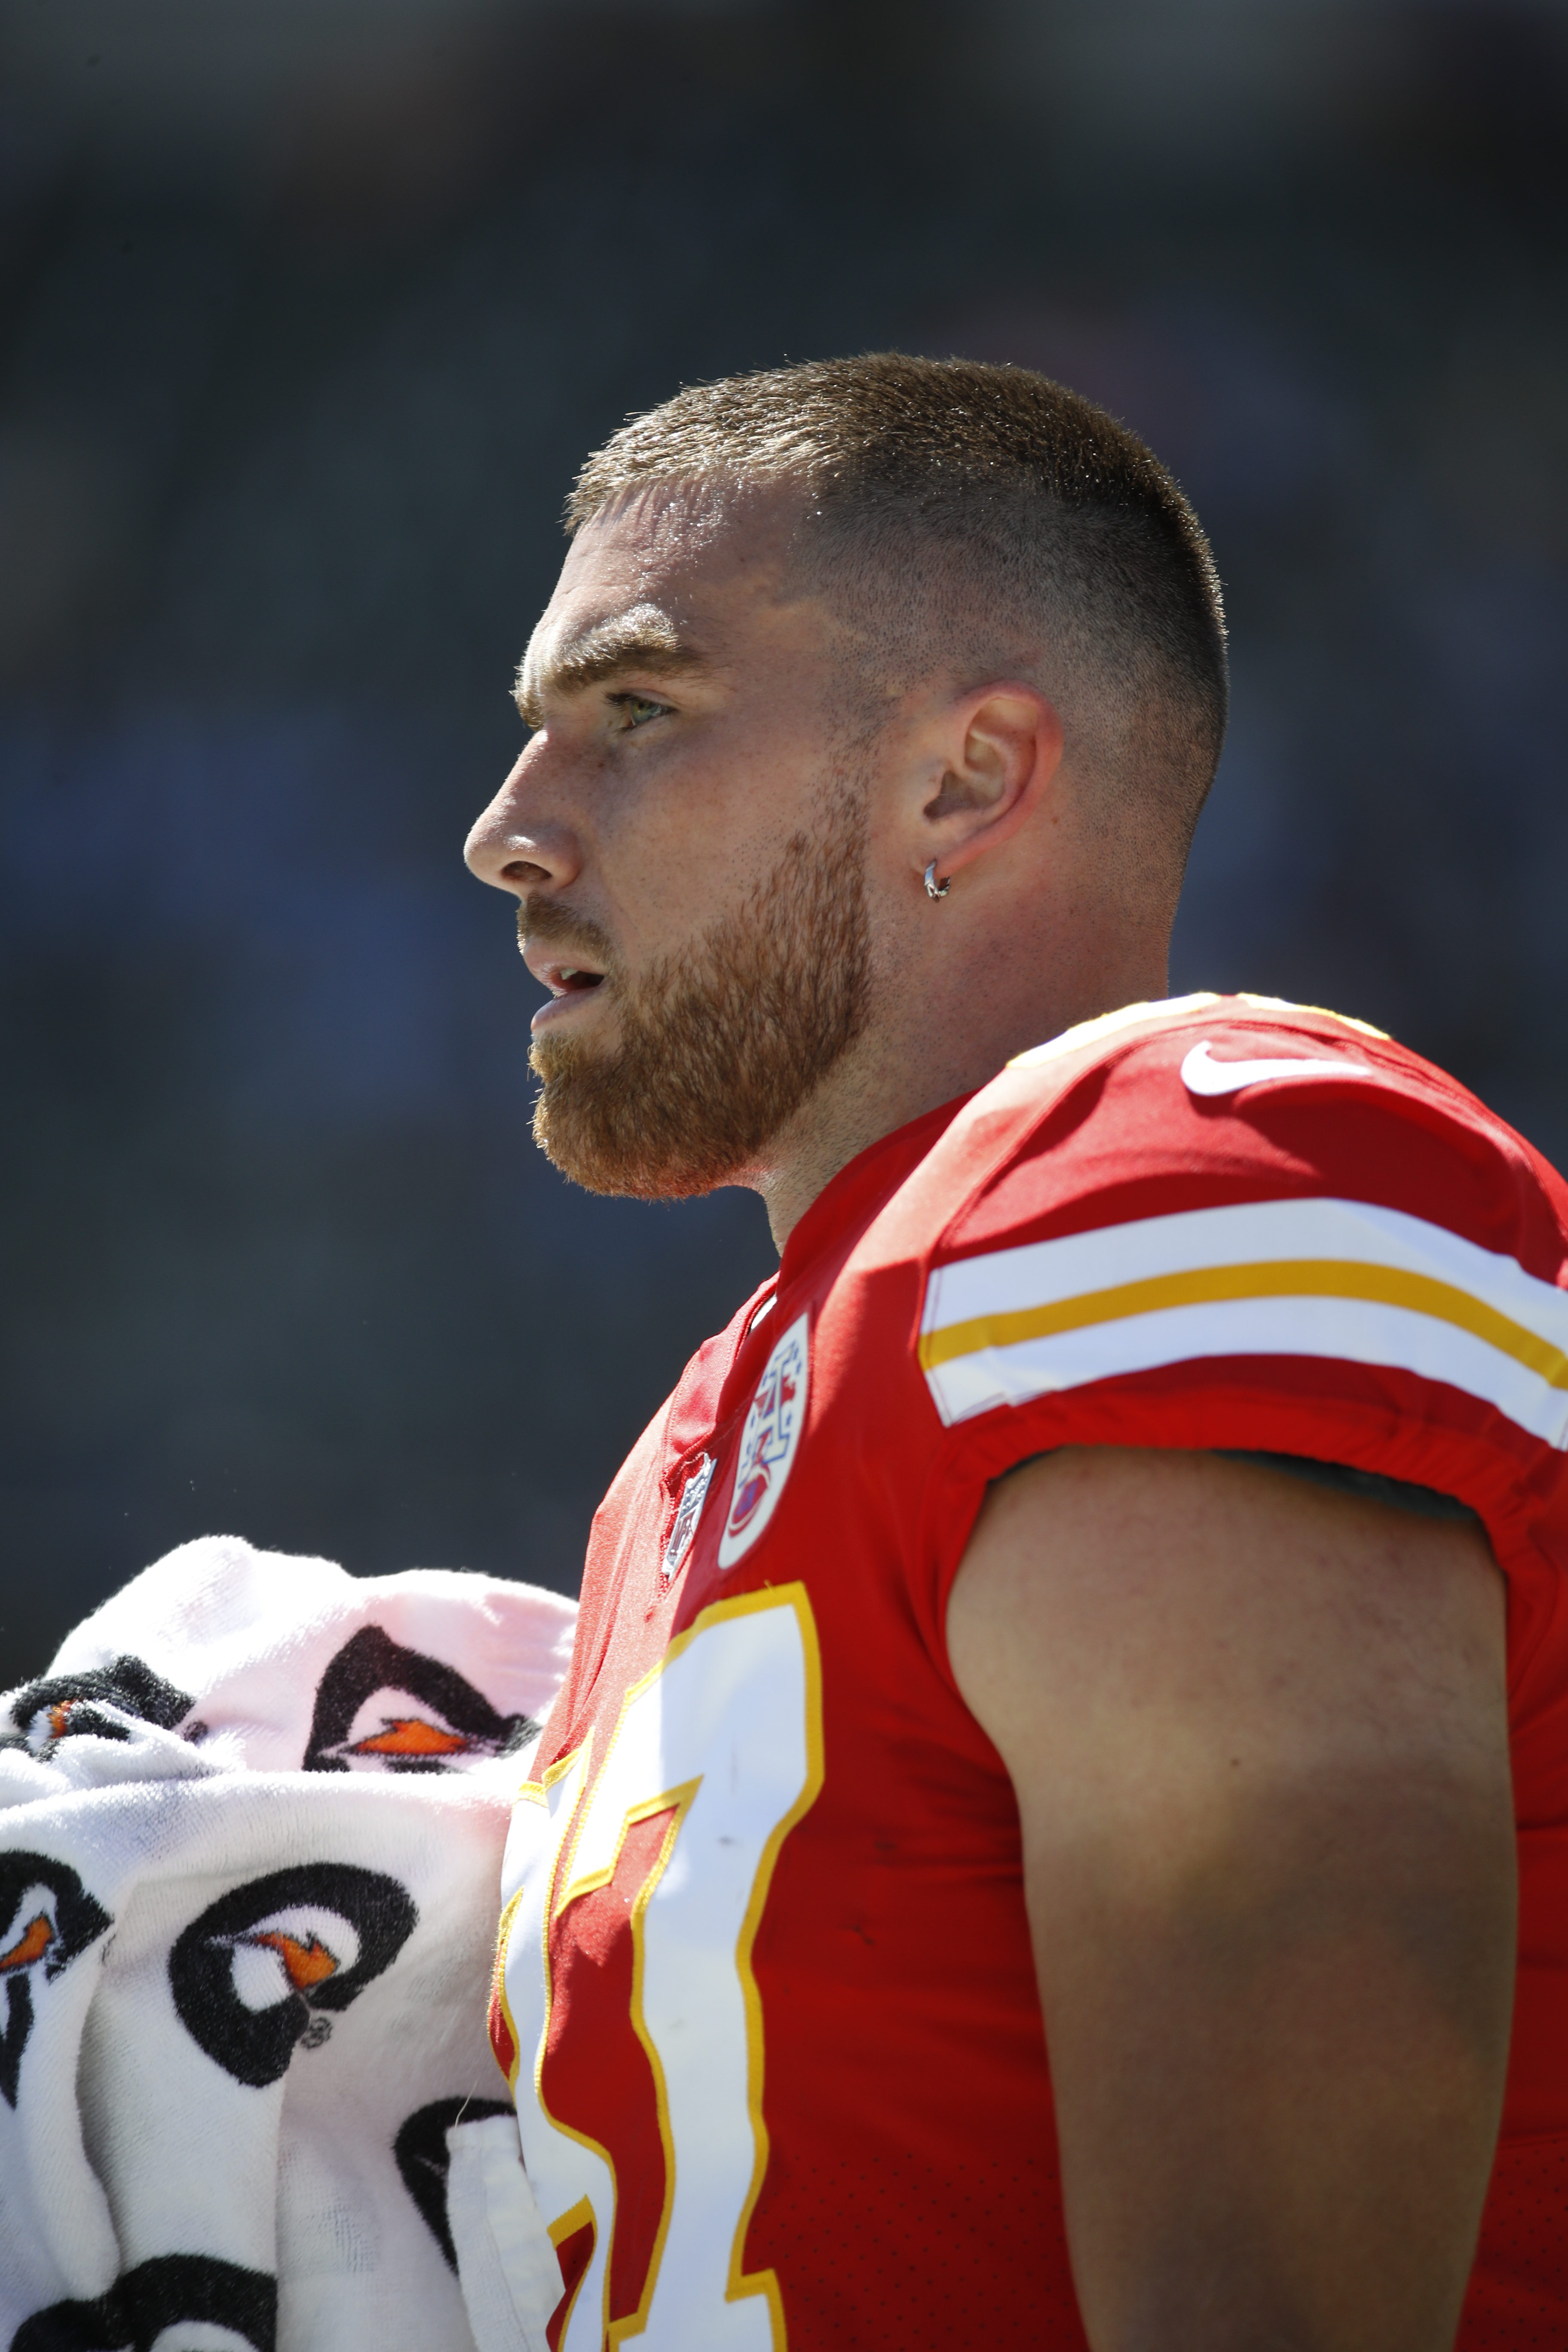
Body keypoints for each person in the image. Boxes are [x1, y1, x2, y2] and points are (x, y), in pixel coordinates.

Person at [463, 354, 1568, 2352]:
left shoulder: (1192, 1167)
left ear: (965, 780)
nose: (509, 832)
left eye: (633, 714)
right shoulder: (686, 1456)